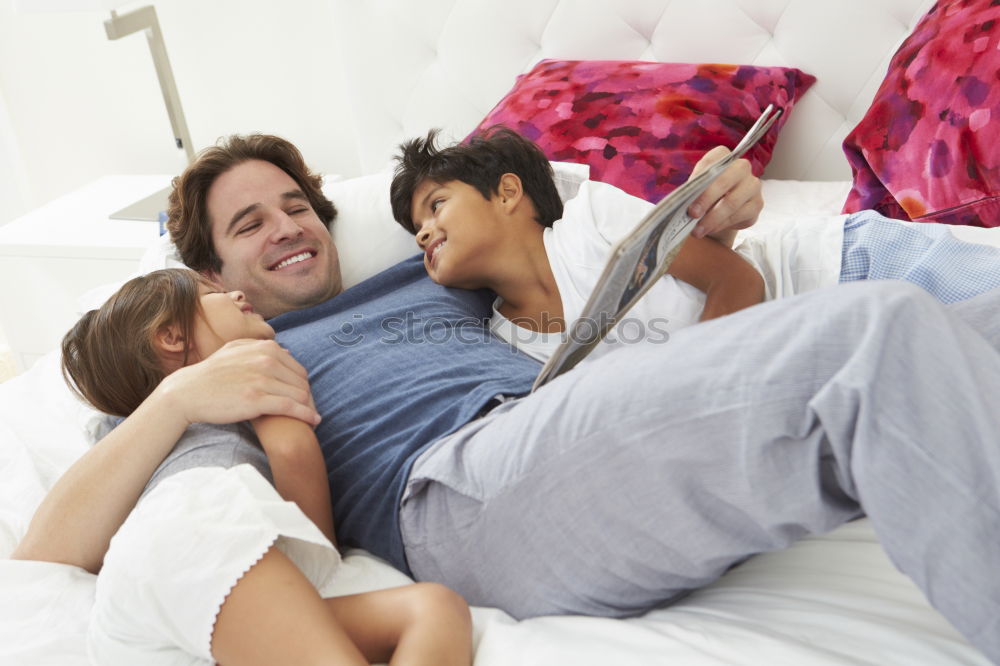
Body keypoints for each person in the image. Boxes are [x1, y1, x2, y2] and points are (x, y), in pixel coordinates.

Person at [14, 134, 1000, 663]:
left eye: (299, 206)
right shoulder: (224, 359)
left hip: (560, 437)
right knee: (873, 334)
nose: (289, 227)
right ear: (206, 273)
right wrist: (181, 398)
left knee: (956, 328)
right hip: (459, 492)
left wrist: (716, 205)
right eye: (248, 223)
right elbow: (47, 552)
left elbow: (554, 224)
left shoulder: (423, 272)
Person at [45, 268, 472, 666]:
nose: (236, 293)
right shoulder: (256, 362)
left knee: (433, 608)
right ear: (171, 337)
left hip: (154, 580)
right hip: (197, 536)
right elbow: (292, 453)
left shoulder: (140, 438)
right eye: (211, 294)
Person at [389, 127, 1000, 363]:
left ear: (507, 193)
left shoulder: (589, 220)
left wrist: (692, 381)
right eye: (415, 229)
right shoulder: (507, 342)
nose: (423, 232)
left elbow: (737, 280)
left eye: (435, 205)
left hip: (843, 273)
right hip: (836, 356)